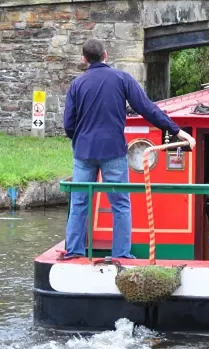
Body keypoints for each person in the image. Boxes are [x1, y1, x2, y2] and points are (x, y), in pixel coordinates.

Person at [62, 39, 196, 259]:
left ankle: (74, 252)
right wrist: (177, 131)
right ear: (106, 54)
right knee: (121, 204)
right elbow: (147, 109)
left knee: (79, 202)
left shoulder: (77, 84)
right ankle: (121, 254)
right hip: (113, 150)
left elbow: (69, 124)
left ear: (84, 59)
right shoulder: (122, 79)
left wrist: (80, 140)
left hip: (84, 152)